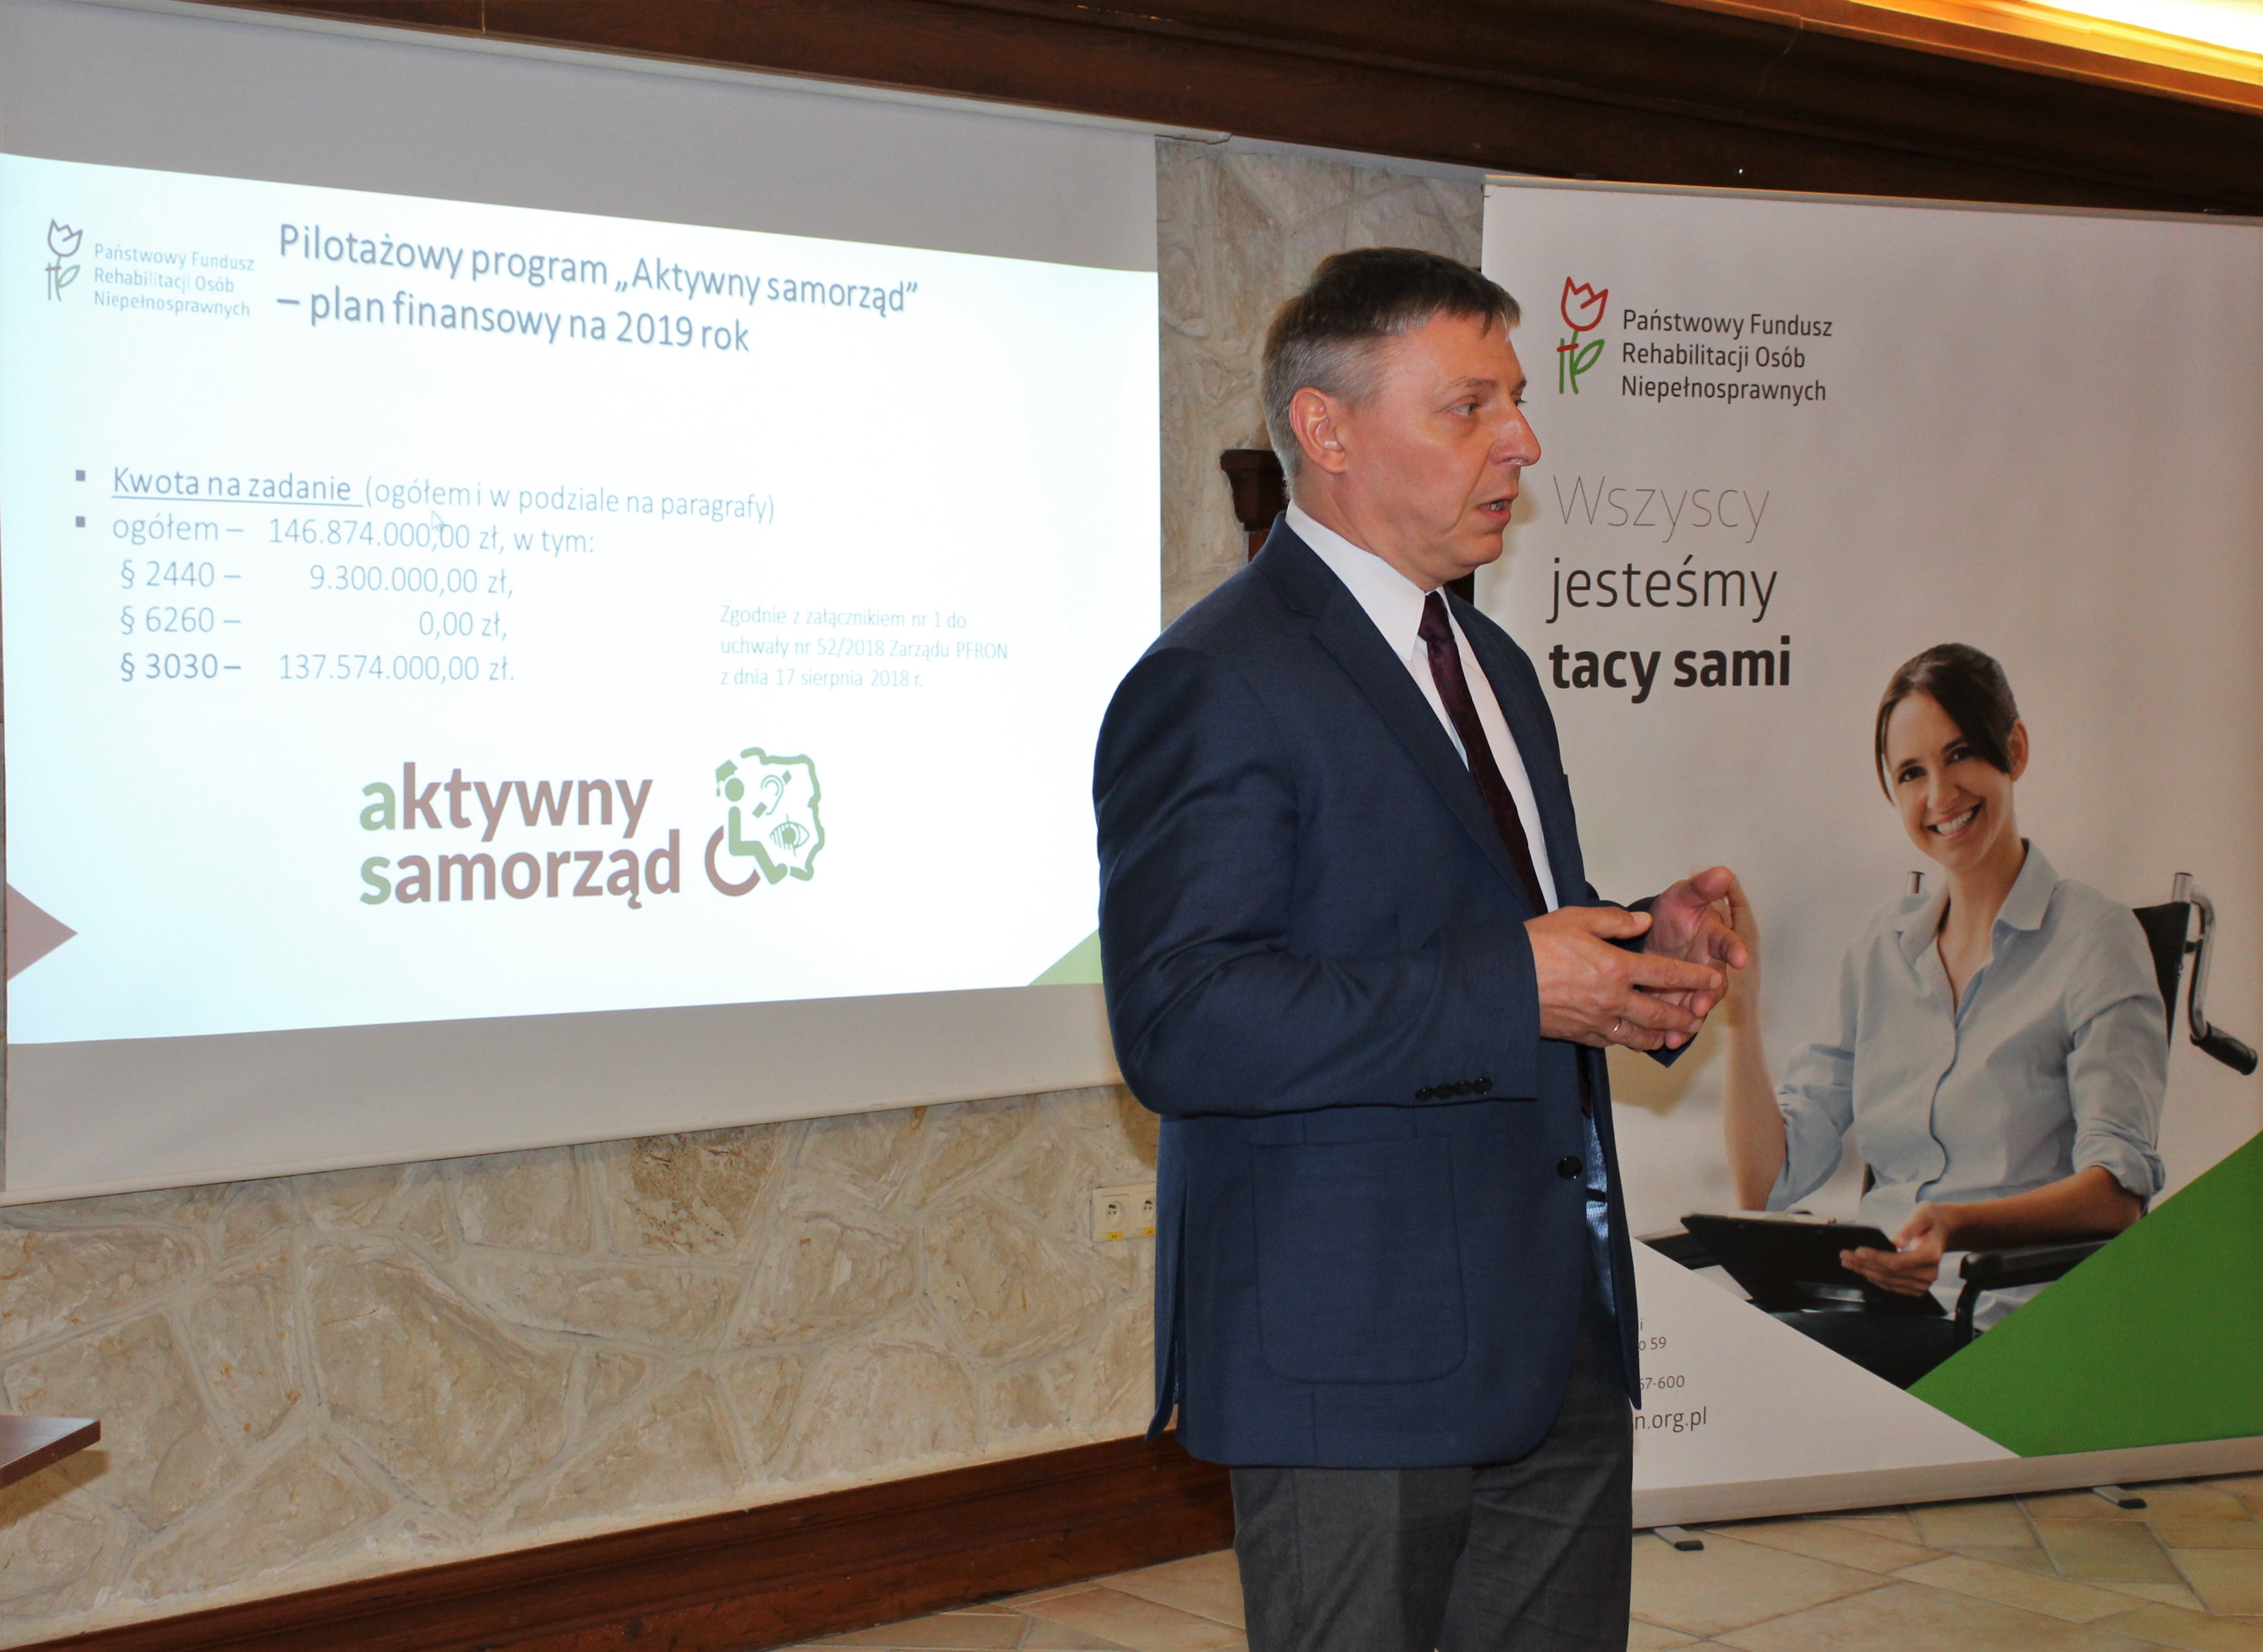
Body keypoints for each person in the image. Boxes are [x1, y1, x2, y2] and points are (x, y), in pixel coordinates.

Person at [1094, 247, 1745, 1652]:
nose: (1522, 441)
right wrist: (1522, 982)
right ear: (1325, 431)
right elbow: (1182, 1020)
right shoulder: (1215, 679)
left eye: (1516, 401)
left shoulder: (1490, 661)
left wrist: (1640, 950)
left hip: (1555, 1334)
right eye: (1469, 407)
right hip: (1353, 1361)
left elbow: (1476, 926)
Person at [1718, 642, 2166, 1388]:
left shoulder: (2097, 939)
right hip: (1879, 1313)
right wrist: (1743, 1007)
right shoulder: (1881, 950)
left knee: (1757, 1373)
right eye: (1911, 773)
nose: (1940, 794)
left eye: (1960, 754)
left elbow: (2118, 1195)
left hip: (2004, 1325)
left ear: (2014, 749)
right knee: (1720, 1349)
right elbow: (1766, 1187)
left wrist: (1958, 1225)